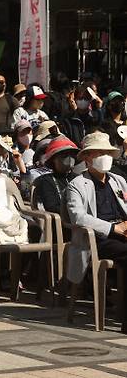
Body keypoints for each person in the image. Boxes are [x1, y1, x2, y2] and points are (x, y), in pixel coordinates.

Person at [66, 131, 127, 333]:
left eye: (107, 152)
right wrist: (112, 228)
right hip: (98, 238)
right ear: (86, 157)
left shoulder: (118, 181)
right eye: (99, 152)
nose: (105, 157)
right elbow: (78, 217)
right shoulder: (77, 184)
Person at [32, 137, 79, 213]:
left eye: (72, 154)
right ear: (53, 159)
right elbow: (51, 207)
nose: (69, 158)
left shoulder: (79, 178)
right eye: (64, 155)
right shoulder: (46, 181)